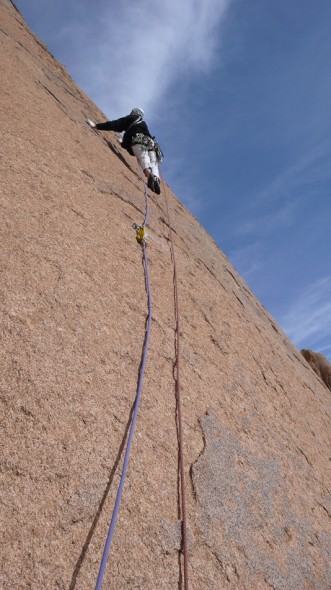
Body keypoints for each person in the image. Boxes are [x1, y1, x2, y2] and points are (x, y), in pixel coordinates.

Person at [86, 108, 161, 195]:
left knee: (143, 158)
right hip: (151, 146)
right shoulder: (143, 124)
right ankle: (156, 179)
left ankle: (149, 175)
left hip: (140, 142)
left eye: (132, 112)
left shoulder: (132, 118)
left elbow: (116, 124)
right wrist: (122, 143)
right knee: (154, 163)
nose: (131, 113)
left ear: (136, 113)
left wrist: (97, 126)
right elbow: (128, 143)